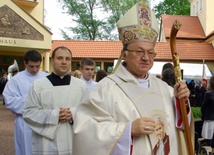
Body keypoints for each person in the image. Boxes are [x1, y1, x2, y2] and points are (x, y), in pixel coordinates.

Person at [73, 1, 193, 155]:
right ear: (124, 54)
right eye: (139, 51)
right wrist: (127, 131)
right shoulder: (105, 89)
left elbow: (181, 129)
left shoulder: (165, 90)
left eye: (151, 53)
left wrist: (181, 102)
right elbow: (84, 132)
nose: (146, 58)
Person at [23, 46, 87, 155]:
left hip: (72, 139)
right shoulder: (38, 86)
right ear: (52, 60)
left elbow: (89, 112)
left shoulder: (81, 86)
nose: (64, 62)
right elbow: (28, 113)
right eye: (60, 58)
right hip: (47, 142)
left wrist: (73, 113)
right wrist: (55, 115)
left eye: (67, 59)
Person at [3, 50, 48, 155]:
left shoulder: (47, 78)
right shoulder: (16, 80)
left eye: (37, 66)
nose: (35, 69)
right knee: (26, 150)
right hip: (25, 122)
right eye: (31, 66)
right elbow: (9, 101)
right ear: (25, 63)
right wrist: (32, 99)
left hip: (44, 120)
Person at [201, 76, 214, 146]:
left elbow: (203, 107)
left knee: (209, 137)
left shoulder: (208, 94)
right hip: (210, 118)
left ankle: (209, 150)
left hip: (209, 118)